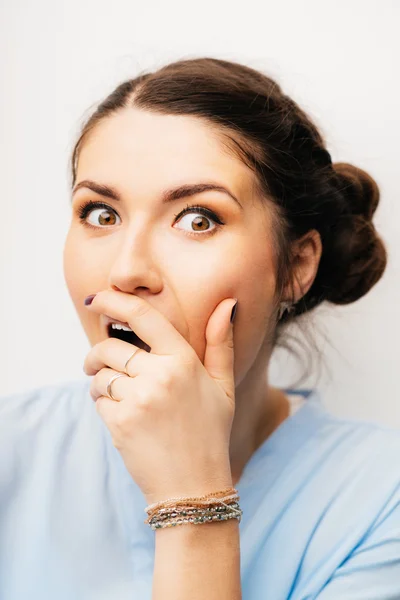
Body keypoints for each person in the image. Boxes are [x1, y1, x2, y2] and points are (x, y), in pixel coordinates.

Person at [0, 56, 398, 600]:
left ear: (297, 265)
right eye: (101, 213)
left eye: (197, 219)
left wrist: (193, 501)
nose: (127, 270)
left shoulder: (381, 502)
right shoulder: (12, 448)